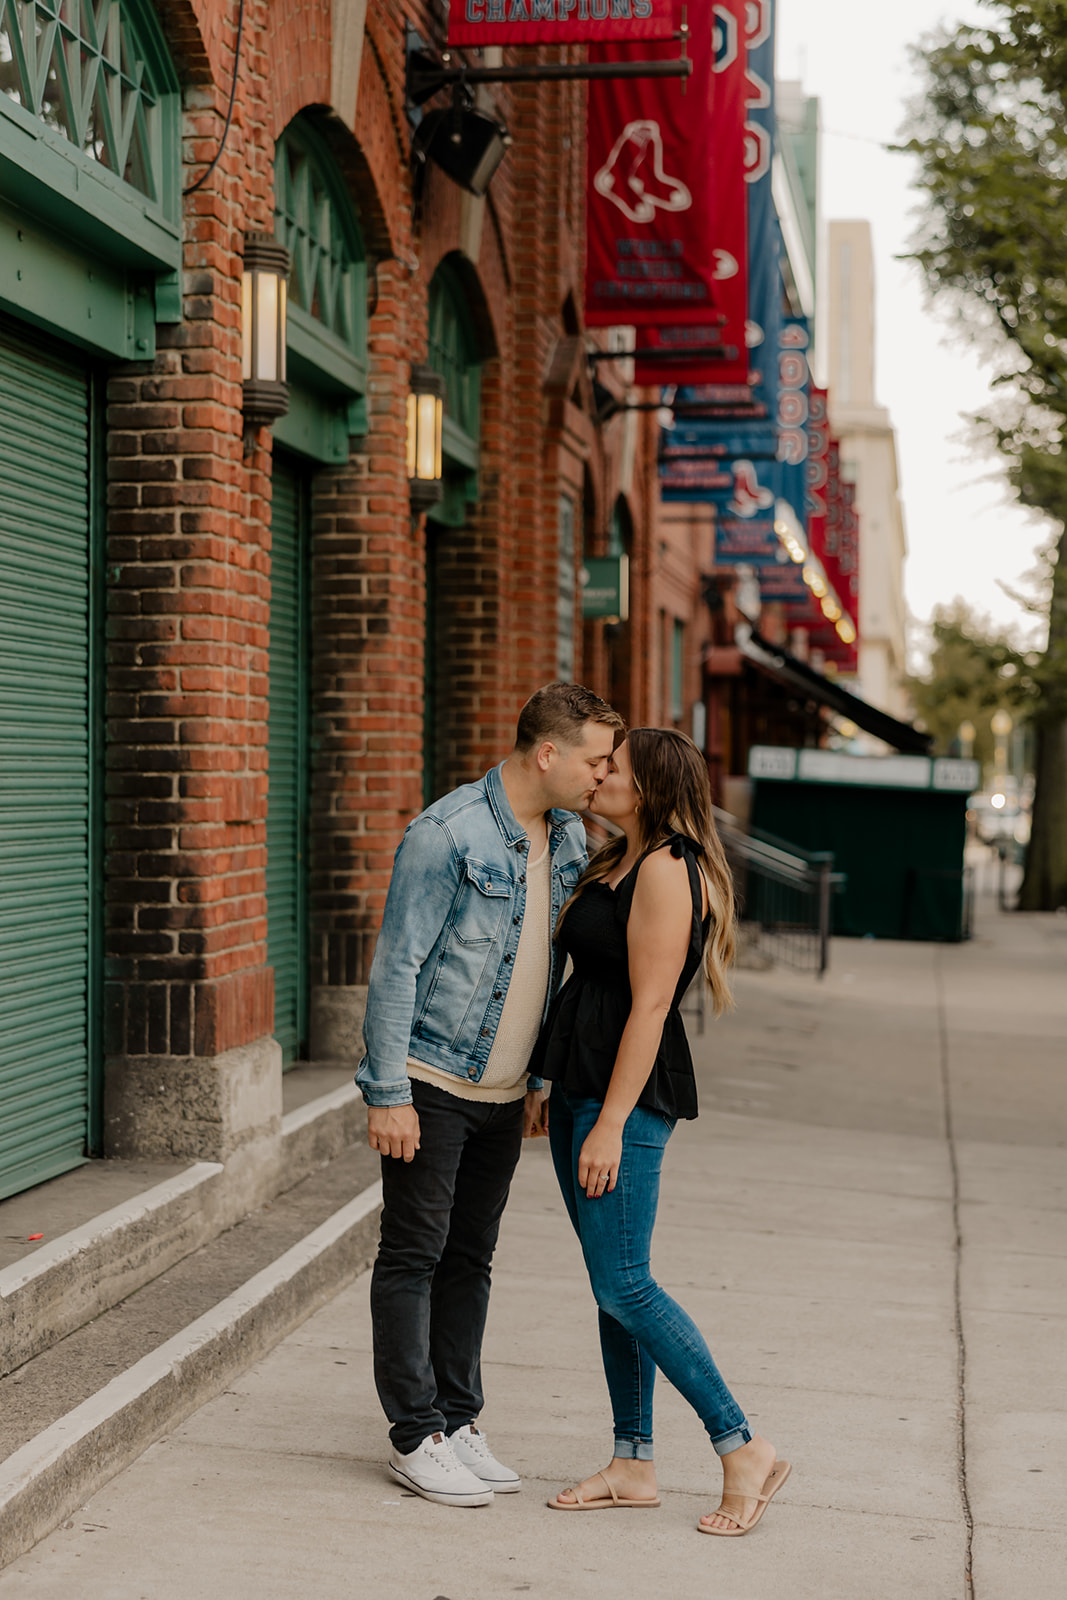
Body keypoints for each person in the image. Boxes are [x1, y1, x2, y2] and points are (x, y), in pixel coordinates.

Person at [356, 682, 624, 1507]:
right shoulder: (448, 834)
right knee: (414, 1255)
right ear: (548, 753)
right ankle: (414, 1434)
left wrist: (537, 1079)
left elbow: (549, 967)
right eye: (593, 759)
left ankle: (458, 1419)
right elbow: (396, 966)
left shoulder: (571, 838)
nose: (602, 776)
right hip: (432, 1083)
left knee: (471, 1260)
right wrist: (387, 1091)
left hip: (505, 1095)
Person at [532, 728, 791, 1536]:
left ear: (645, 787)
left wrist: (609, 1122)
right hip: (578, 1080)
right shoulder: (612, 857)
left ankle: (742, 1445)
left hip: (626, 1098)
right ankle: (632, 1463)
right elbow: (581, 979)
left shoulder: (668, 868)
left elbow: (649, 1005)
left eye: (614, 767)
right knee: (611, 1288)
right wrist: (548, 1078)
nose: (599, 774)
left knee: (625, 1284)